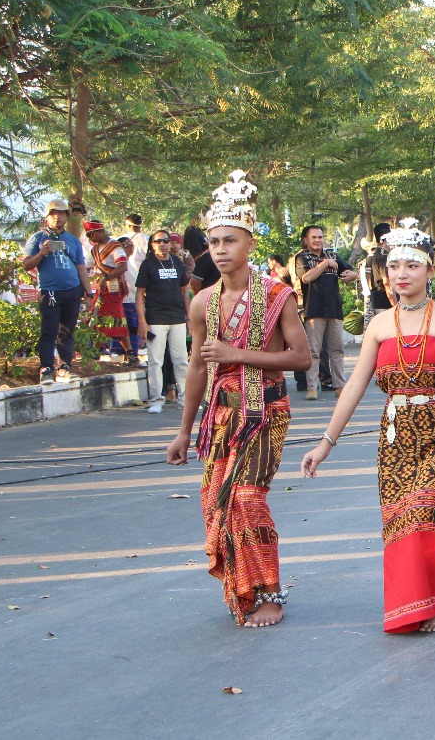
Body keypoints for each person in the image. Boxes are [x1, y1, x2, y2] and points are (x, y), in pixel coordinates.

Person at [301, 220, 435, 633]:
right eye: (395, 267)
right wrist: (325, 443)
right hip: (395, 434)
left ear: (430, 271)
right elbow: (352, 389)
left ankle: (434, 601)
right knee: (398, 519)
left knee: (422, 512)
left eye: (412, 266)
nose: (402, 274)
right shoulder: (380, 325)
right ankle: (410, 604)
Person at [166, 169, 312, 628]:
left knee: (247, 497)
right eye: (214, 242)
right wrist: (184, 431)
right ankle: (242, 590)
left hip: (266, 410)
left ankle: (269, 591)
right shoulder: (201, 302)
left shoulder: (277, 295)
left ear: (249, 243)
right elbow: (195, 367)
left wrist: (236, 354)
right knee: (217, 502)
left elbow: (303, 358)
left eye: (230, 240)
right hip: (219, 414)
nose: (221, 250)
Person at [21, 200, 92, 384]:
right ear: (47, 217)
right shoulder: (37, 238)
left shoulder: (73, 240)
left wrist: (89, 293)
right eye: (53, 213)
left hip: (72, 291)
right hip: (50, 291)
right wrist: (40, 254)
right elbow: (26, 264)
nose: (57, 217)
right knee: (49, 330)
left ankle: (64, 367)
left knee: (67, 331)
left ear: (67, 216)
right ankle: (46, 368)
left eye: (61, 213)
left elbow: (81, 267)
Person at [294, 225, 358, 399]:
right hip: (314, 310)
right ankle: (312, 387)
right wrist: (325, 264)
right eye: (314, 237)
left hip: (334, 309)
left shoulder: (332, 255)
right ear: (306, 239)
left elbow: (351, 272)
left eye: (320, 237)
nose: (318, 240)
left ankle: (340, 385)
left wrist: (351, 275)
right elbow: (306, 278)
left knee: (337, 349)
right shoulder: (302, 258)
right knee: (313, 351)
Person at [136, 229, 191, 414]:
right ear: (152, 245)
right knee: (155, 361)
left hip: (177, 318)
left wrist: (189, 318)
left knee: (181, 360)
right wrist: (142, 322)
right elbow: (139, 294)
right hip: (156, 318)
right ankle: (156, 399)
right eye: (158, 241)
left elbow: (185, 291)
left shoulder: (177, 263)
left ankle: (185, 398)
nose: (163, 244)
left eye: (166, 241)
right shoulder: (148, 265)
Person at [83, 220, 133, 364]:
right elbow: (86, 267)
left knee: (115, 320)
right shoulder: (94, 250)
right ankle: (96, 351)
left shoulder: (115, 247)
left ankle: (130, 353)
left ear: (99, 232)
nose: (89, 238)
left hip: (115, 289)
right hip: (102, 290)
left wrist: (106, 277)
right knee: (99, 319)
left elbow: (123, 267)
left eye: (90, 234)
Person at [364, 222, 394, 317]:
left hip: (377, 298)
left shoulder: (375, 254)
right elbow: (386, 282)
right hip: (385, 302)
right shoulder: (384, 255)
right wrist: (395, 304)